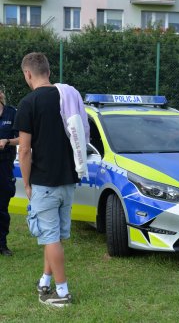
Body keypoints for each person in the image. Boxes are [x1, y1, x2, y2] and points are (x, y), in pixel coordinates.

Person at [14, 52, 89, 307]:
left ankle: (62, 292)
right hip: (68, 179)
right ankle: (45, 281)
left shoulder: (28, 103)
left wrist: (26, 184)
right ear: (48, 71)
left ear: (28, 73)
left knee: (50, 237)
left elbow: (24, 150)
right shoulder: (68, 96)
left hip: (44, 182)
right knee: (53, 235)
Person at [0, 90, 19, 256]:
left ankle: (2, 244)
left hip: (4, 166)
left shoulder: (11, 113)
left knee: (2, 207)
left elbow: (22, 138)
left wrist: (7, 141)